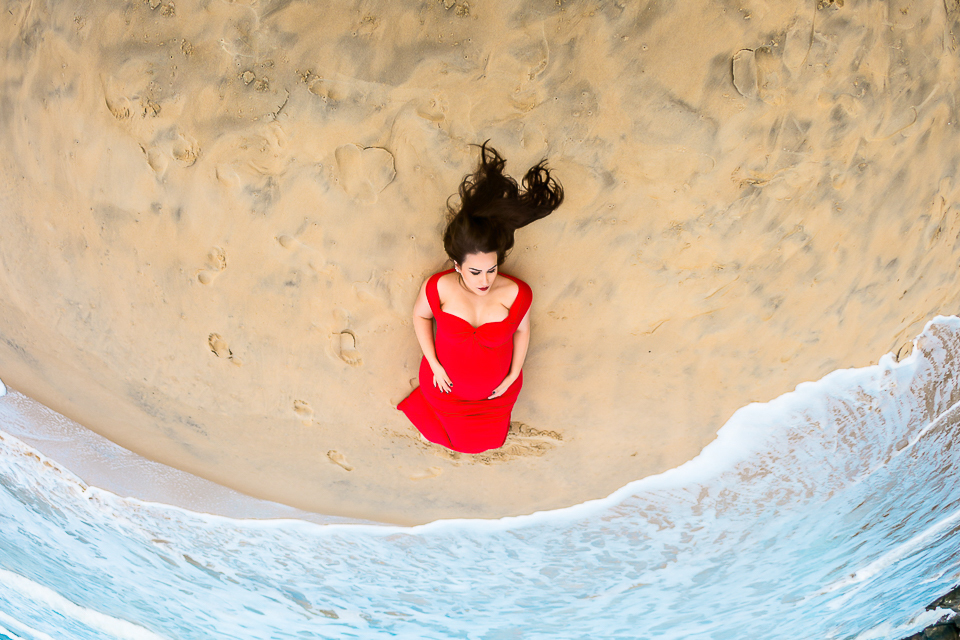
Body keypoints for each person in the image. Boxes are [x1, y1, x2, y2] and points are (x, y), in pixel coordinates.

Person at [397, 143, 564, 453]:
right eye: (474, 272)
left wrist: (513, 374)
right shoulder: (439, 287)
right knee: (452, 442)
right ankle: (430, 416)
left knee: (490, 443)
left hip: (496, 397)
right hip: (444, 390)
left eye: (492, 269)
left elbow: (522, 330)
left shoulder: (516, 293)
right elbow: (420, 315)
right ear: (457, 265)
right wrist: (434, 365)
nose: (485, 281)